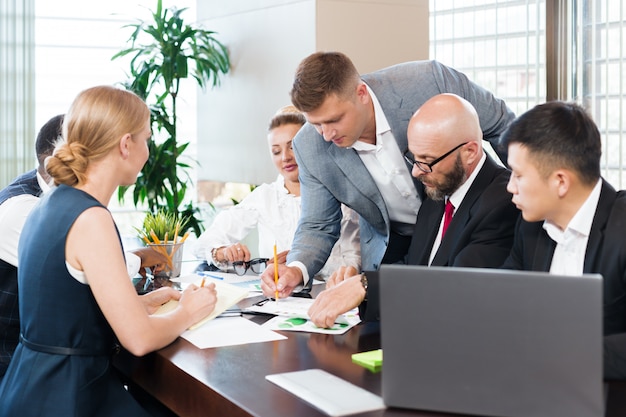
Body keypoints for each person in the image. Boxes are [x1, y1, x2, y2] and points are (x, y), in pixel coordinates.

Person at [0, 85, 217, 416]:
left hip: (31, 386)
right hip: (70, 395)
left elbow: (62, 309)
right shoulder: (91, 218)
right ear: (125, 145)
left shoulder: (49, 202)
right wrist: (189, 310)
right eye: (146, 139)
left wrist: (137, 304)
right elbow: (139, 340)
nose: (148, 152)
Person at [261, 51, 515, 299]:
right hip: (393, 245)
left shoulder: (429, 82)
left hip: (470, 221)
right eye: (316, 124)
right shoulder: (309, 147)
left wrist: (520, 200)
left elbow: (504, 128)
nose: (326, 134)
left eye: (334, 120)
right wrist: (296, 269)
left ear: (361, 93)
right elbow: (317, 223)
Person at [308, 94, 520, 326]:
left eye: (426, 160)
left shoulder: (502, 201)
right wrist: (356, 282)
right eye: (414, 158)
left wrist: (366, 286)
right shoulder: (440, 186)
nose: (416, 172)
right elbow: (417, 265)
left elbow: (457, 287)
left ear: (469, 151)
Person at [0, 115, 167, 381]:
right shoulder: (23, 209)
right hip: (21, 368)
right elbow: (95, 265)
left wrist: (140, 302)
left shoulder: (62, 202)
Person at [499, 101, 626, 380]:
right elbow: (506, 302)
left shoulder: (622, 228)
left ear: (560, 181)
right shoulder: (529, 226)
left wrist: (557, 354)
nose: (510, 186)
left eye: (518, 175)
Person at [193, 105, 360, 279]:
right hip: (277, 298)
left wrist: (299, 265)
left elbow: (355, 259)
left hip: (329, 294)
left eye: (292, 147)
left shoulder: (341, 193)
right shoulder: (265, 196)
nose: (285, 157)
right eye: (276, 151)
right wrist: (223, 252)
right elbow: (203, 244)